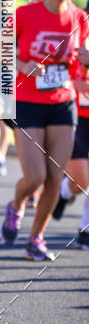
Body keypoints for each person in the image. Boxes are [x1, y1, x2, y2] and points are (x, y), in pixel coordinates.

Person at [0, 0, 89, 261]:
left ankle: (36, 238)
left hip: (63, 105)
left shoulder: (80, 18)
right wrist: (22, 64)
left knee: (54, 178)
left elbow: (80, 61)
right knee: (35, 177)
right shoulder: (25, 14)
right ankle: (16, 206)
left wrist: (85, 62)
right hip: (27, 102)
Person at [50, 44, 89, 248]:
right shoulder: (76, 39)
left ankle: (85, 229)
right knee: (81, 181)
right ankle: (64, 192)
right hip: (76, 118)